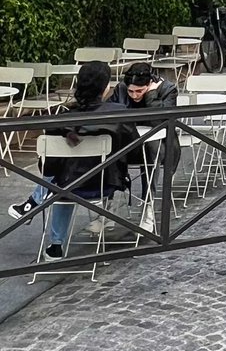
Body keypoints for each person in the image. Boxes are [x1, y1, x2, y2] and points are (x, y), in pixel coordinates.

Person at [8, 61, 137, 260]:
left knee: (61, 179)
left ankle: (48, 230)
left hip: (67, 186)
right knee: (64, 180)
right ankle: (36, 206)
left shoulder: (62, 120)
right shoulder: (118, 112)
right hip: (105, 183)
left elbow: (47, 166)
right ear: (104, 88)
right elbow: (134, 150)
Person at [108, 62, 179, 231]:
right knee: (108, 146)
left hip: (161, 146)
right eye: (131, 91)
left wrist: (151, 96)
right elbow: (112, 115)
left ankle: (149, 207)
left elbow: (161, 121)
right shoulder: (122, 89)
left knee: (152, 146)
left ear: (149, 84)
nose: (134, 95)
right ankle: (107, 208)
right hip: (129, 145)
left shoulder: (168, 89)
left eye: (139, 91)